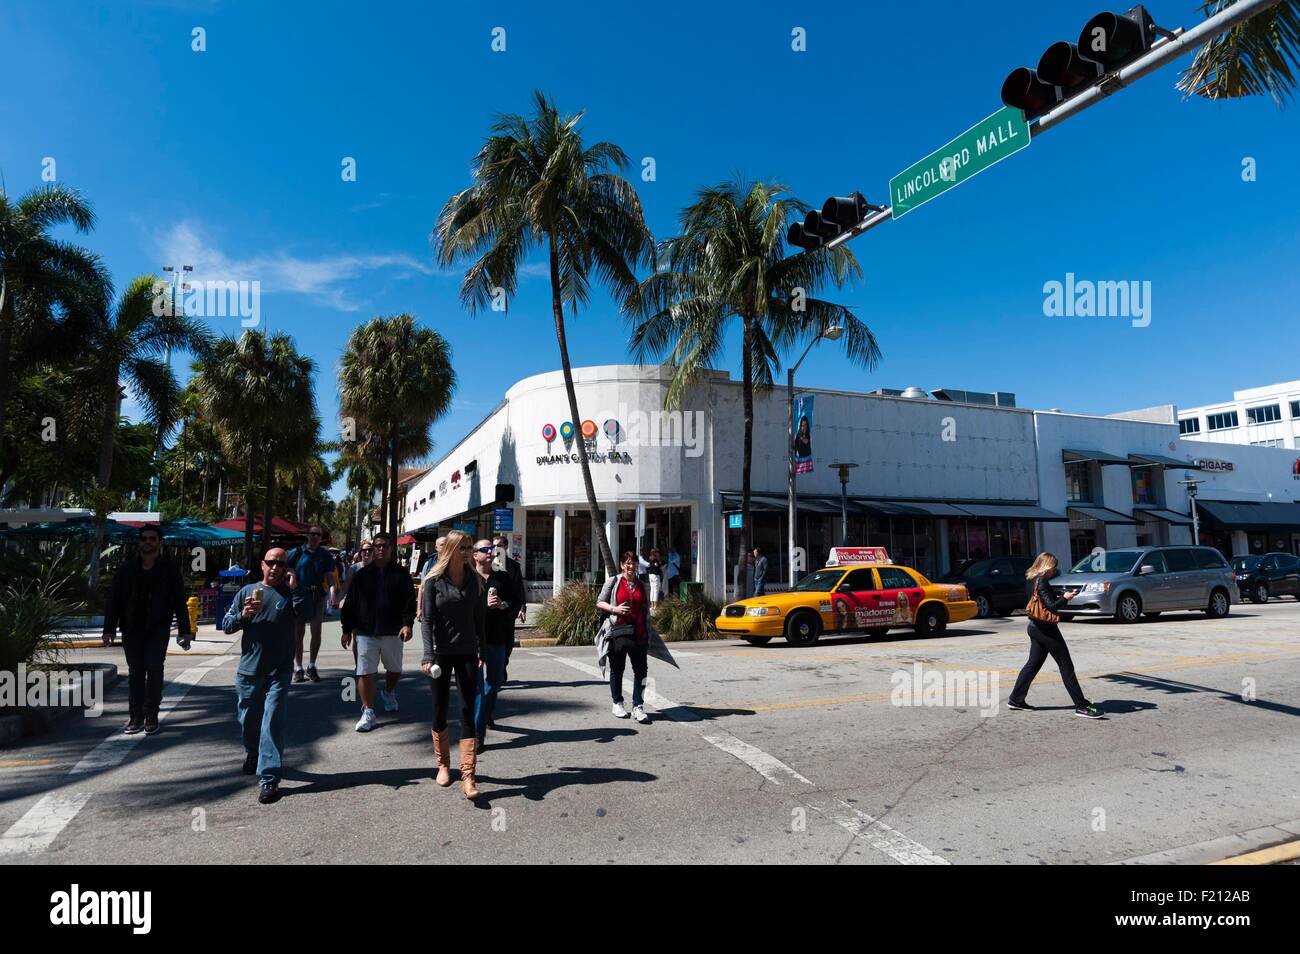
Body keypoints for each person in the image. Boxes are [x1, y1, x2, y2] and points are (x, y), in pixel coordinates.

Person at [102, 524, 192, 735]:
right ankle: (135, 717)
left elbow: (179, 600)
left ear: (160, 543)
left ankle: (151, 715)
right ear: (139, 542)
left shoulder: (169, 569)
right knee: (135, 672)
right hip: (131, 628)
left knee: (154, 667)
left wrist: (185, 631)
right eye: (144, 539)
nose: (147, 542)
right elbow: (114, 600)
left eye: (152, 539)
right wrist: (109, 629)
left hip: (158, 628)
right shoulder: (126, 569)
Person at [222, 547, 296, 804]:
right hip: (249, 670)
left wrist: (296, 589)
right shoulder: (246, 592)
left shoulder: (291, 594)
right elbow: (226, 626)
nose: (275, 567)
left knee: (272, 721)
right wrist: (244, 615)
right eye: (271, 563)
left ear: (287, 568)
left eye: (281, 564)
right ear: (262, 565)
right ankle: (253, 752)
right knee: (248, 720)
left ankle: (269, 779)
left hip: (280, 670)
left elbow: (307, 613)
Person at [420, 531, 485, 799]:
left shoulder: (476, 581)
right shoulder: (434, 581)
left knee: (467, 711)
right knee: (439, 709)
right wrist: (427, 655)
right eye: (463, 548)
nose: (468, 552)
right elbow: (427, 620)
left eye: (470, 547)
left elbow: (480, 618)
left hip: (468, 651)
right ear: (451, 550)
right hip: (440, 653)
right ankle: (443, 765)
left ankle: (468, 776)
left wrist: (480, 648)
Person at [1008, 552, 1104, 719]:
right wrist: (1065, 597)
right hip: (1046, 629)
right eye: (1054, 566)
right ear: (1047, 566)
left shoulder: (1031, 579)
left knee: (1032, 665)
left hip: (1034, 626)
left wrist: (1062, 597)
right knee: (1066, 666)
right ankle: (1081, 706)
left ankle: (1016, 699)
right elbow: (1051, 607)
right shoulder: (1043, 581)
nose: (1055, 570)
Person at [340, 532, 416, 732]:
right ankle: (368, 711)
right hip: (366, 632)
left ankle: (388, 691)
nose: (380, 549)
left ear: (391, 549)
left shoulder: (401, 574)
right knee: (365, 672)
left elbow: (410, 601)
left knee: (395, 670)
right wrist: (346, 629)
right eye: (377, 546)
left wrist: (407, 624)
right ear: (373, 549)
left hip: (393, 631)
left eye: (385, 546)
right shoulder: (362, 575)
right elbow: (350, 604)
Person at [596, 552, 652, 724]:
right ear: (622, 565)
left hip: (639, 633)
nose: (631, 566)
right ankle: (617, 702)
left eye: (634, 563)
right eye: (627, 563)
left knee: (641, 671)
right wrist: (615, 609)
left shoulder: (642, 585)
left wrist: (649, 634)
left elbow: (646, 610)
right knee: (617, 670)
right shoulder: (613, 581)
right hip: (618, 632)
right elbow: (599, 602)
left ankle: (638, 706)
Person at [473, 538, 518, 750]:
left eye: (492, 548)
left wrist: (502, 605)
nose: (490, 552)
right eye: (485, 549)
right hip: (473, 639)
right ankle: (478, 733)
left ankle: (485, 713)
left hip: (497, 636)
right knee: (478, 688)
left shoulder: (502, 578)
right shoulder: (467, 578)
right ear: (475, 555)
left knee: (495, 681)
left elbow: (515, 602)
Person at [286, 526, 337, 684]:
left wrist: (333, 593)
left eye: (318, 534)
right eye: (312, 534)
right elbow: (284, 568)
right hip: (300, 594)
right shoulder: (297, 552)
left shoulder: (325, 555)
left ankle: (312, 665)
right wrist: (292, 576)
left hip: (317, 596)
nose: (315, 537)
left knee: (317, 632)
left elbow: (330, 576)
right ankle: (298, 668)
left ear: (321, 537)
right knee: (298, 633)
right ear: (307, 535)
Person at [493, 534, 527, 682]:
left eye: (499, 545)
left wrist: (522, 608)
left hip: (508, 610)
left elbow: (519, 588)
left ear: (506, 547)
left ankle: (502, 666)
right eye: (494, 545)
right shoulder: (488, 564)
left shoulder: (513, 566)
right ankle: (494, 670)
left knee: (507, 643)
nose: (496, 548)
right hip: (490, 610)